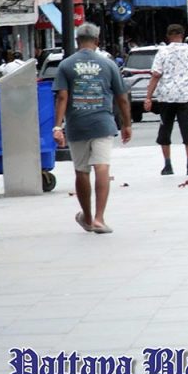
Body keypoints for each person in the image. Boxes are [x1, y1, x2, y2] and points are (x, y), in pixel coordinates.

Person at [52, 22, 132, 234]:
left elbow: (62, 97)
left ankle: (87, 217)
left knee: (81, 171)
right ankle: (99, 218)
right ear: (97, 41)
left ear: (77, 41)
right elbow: (122, 97)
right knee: (102, 167)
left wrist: (57, 127)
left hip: (77, 124)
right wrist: (127, 124)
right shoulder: (108, 64)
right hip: (102, 123)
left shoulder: (66, 65)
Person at [144, 24, 188, 176]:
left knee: (165, 130)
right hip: (187, 97)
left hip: (166, 97)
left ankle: (167, 165)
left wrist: (148, 97)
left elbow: (155, 75)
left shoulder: (162, 52)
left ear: (168, 36)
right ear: (182, 35)